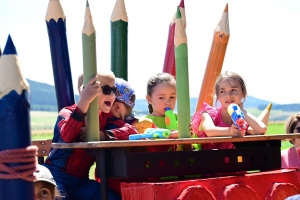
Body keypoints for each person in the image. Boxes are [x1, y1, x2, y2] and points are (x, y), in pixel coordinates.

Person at [44, 70, 133, 200]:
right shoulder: (67, 113)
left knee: (112, 197)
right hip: (56, 175)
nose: (112, 95)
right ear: (84, 90)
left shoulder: (105, 118)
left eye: (114, 90)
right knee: (57, 197)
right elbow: (67, 136)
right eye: (106, 90)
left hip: (81, 182)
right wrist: (84, 102)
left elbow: (131, 131)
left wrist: (103, 135)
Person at [192, 71, 267, 150]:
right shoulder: (208, 114)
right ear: (218, 97)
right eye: (222, 91)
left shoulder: (244, 120)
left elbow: (261, 129)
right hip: (210, 159)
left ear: (243, 93)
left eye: (233, 90)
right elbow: (209, 130)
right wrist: (231, 131)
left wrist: (240, 110)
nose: (228, 95)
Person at [145, 72, 179, 152]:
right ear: (150, 99)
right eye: (161, 98)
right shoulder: (144, 122)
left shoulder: (181, 120)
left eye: (172, 97)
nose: (168, 102)